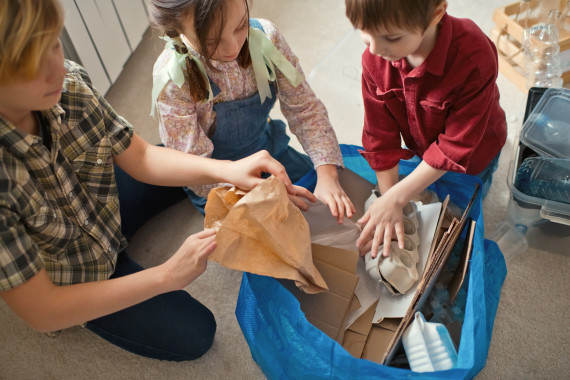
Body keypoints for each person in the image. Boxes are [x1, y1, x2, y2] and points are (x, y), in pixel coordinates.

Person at [0, 0, 312, 361]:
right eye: (31, 66)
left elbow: (143, 157)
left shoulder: (68, 84)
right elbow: (42, 310)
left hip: (96, 204)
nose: (56, 69)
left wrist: (225, 169)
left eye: (54, 44)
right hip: (73, 272)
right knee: (195, 334)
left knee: (176, 155)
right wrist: (166, 275)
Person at [149, 0, 356, 223]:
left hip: (270, 151)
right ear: (176, 27)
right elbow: (193, 166)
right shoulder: (173, 78)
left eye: (240, 26)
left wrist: (328, 176)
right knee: (265, 237)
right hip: (216, 181)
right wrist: (263, 196)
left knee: (332, 198)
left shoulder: (267, 38)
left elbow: (305, 109)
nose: (232, 48)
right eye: (212, 41)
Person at [344, 0, 507, 257]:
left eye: (391, 37)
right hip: (422, 144)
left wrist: (397, 198)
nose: (375, 49)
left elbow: (455, 146)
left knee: (466, 202)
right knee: (419, 192)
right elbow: (379, 135)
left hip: (477, 152)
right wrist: (390, 197)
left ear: (436, 14)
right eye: (365, 34)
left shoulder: (474, 56)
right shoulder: (375, 59)